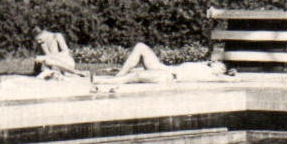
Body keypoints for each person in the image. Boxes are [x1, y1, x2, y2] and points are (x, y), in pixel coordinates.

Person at [99, 43, 231, 85]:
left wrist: (232, 76)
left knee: (137, 75)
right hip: (163, 68)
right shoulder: (204, 66)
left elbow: (228, 79)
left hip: (167, 76)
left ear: (222, 70)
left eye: (220, 63)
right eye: (216, 60)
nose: (215, 62)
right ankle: (118, 75)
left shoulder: (213, 75)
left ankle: (106, 83)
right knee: (140, 46)